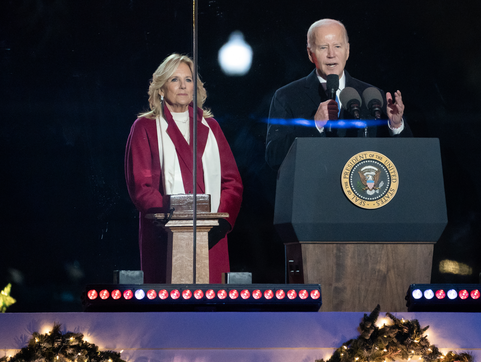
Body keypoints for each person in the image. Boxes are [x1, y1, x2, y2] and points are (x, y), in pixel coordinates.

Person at [125, 53, 243, 284]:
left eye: (188, 80)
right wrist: (174, 223)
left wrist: (221, 225)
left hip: (210, 235)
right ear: (161, 88)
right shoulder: (145, 127)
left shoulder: (211, 126)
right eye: (174, 79)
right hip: (165, 234)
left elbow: (232, 183)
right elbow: (141, 186)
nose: (182, 86)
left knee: (211, 304)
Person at [265, 18, 413, 170]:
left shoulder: (372, 95)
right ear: (310, 54)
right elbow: (273, 155)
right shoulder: (287, 96)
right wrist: (314, 125)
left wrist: (396, 126)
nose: (331, 54)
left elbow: (408, 156)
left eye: (337, 46)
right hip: (313, 190)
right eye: (323, 47)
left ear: (347, 51)